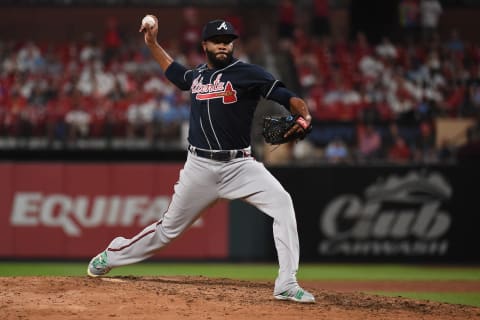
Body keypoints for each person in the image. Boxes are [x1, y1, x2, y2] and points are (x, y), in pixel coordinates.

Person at [87, 16, 315, 304]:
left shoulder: (248, 73)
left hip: (239, 166)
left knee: (282, 203)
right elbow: (174, 72)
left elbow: (287, 96)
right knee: (166, 231)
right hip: (200, 168)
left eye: (228, 41)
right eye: (218, 41)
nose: (224, 45)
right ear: (205, 44)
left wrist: (303, 114)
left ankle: (286, 282)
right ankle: (113, 255)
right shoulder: (196, 77)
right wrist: (152, 43)